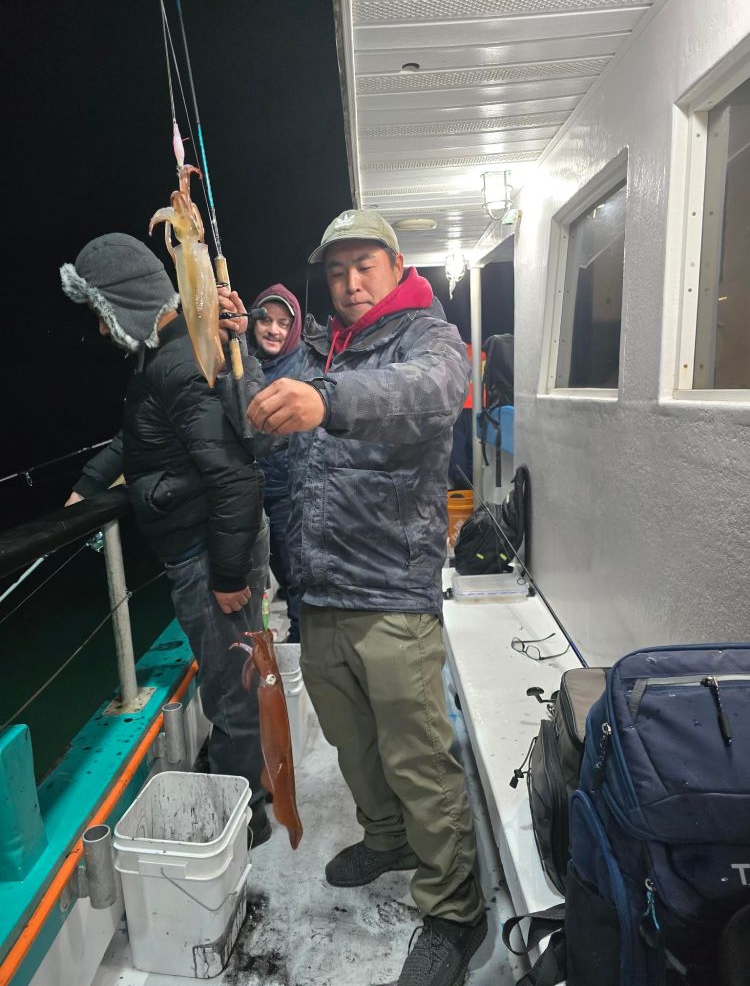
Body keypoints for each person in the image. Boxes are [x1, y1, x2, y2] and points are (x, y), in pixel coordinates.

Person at [245, 210, 487, 986]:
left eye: (364, 267)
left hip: (392, 593)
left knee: (418, 754)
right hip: (318, 593)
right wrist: (231, 351)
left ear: (395, 265)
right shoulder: (319, 348)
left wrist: (330, 400)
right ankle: (386, 838)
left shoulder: (428, 338)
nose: (350, 284)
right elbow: (260, 418)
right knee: (352, 741)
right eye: (338, 270)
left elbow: (428, 393)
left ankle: (454, 907)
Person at [60, 233, 272, 846]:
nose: (102, 331)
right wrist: (92, 481)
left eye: (101, 313)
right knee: (228, 674)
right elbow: (141, 437)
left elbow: (236, 476)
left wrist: (228, 576)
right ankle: (241, 778)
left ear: (124, 302)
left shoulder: (175, 363)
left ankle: (245, 814)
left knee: (230, 686)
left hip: (210, 555)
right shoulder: (168, 355)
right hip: (208, 547)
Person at [247, 283, 303, 643]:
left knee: (293, 563)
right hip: (247, 490)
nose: (274, 329)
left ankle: (300, 633)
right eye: (266, 320)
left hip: (287, 490)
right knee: (255, 571)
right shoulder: (238, 362)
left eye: (284, 323)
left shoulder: (302, 365)